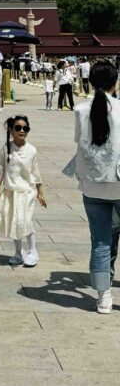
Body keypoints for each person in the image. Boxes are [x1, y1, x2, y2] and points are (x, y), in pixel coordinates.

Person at [72, 60, 120, 313]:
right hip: (119, 182)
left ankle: (104, 297)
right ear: (115, 82)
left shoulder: (80, 109)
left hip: (92, 185)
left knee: (100, 241)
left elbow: (79, 143)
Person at [0, 115, 45, 266]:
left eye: (25, 128)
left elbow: (35, 172)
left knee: (26, 221)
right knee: (15, 222)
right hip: (10, 192)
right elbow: (0, 168)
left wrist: (40, 192)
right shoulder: (6, 148)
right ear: (11, 130)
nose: (22, 131)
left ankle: (33, 251)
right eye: (18, 128)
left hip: (27, 192)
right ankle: (18, 252)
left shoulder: (32, 150)